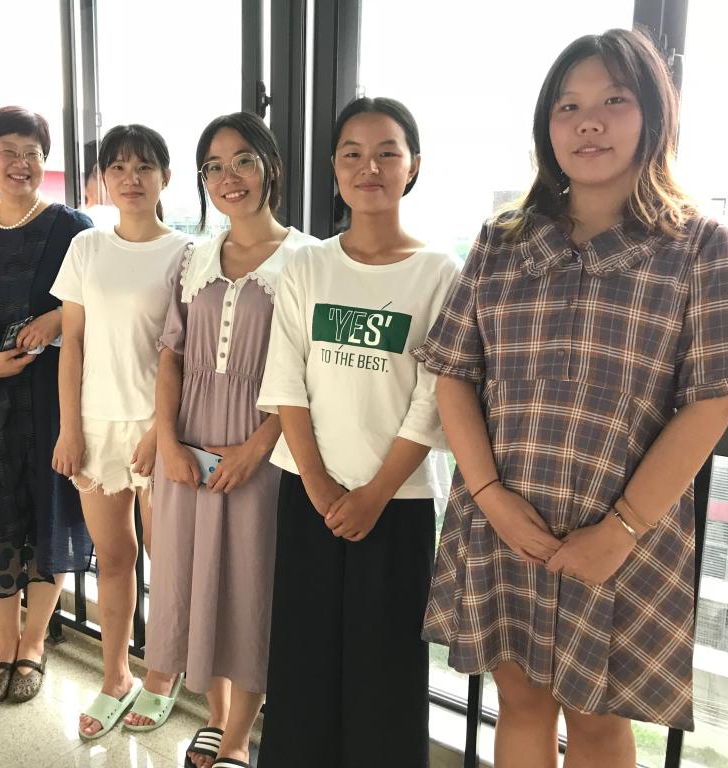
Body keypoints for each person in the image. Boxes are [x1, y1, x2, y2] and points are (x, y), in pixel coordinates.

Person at [415, 29, 728, 768]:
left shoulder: (699, 244)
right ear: (547, 126)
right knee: (520, 703)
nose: (588, 122)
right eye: (568, 106)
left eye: (614, 100)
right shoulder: (504, 241)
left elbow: (710, 401)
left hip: (625, 534)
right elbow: (453, 373)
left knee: (598, 724)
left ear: (654, 115)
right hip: (506, 520)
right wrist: (491, 497)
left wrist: (620, 530)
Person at [256, 97, 460, 767]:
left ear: (413, 166)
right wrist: (319, 485)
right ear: (335, 168)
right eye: (352, 153)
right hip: (308, 494)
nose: (369, 167)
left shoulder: (439, 273)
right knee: (302, 662)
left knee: (387, 670)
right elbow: (287, 381)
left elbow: (433, 399)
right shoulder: (307, 265)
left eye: (386, 153)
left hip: (397, 502)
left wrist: (373, 494)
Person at [140, 112, 318, 768]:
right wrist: (166, 440)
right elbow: (172, 355)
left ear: (271, 167)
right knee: (191, 582)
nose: (228, 177)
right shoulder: (194, 256)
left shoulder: (308, 259)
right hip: (187, 449)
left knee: (248, 590)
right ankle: (214, 718)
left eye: (243, 160)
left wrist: (258, 446)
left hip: (264, 452)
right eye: (213, 166)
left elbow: (312, 373)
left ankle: (240, 733)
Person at [0, 106, 93, 704]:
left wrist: (55, 318)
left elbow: (93, 304)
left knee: (45, 513)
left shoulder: (71, 227)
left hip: (53, 399)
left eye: (32, 152)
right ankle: (4, 644)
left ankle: (33, 643)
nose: (21, 162)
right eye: (8, 150)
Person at [50, 124, 192, 739]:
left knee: (168, 560)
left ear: (166, 177)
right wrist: (69, 428)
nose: (130, 179)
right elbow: (72, 343)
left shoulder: (187, 253)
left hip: (159, 429)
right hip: (95, 425)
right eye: (118, 168)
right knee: (113, 558)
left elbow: (187, 356)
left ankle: (161, 673)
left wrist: (163, 432)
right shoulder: (87, 247)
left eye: (144, 167)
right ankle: (115, 675)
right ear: (103, 178)